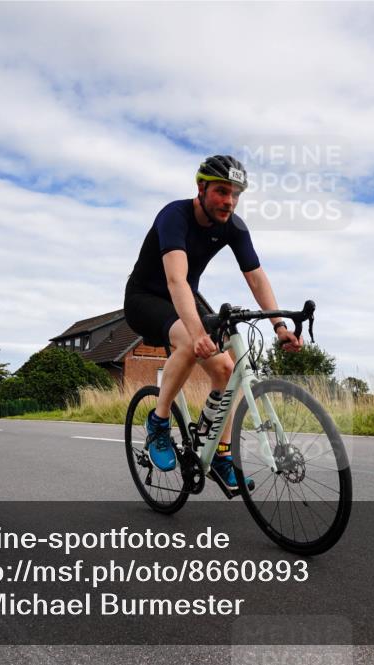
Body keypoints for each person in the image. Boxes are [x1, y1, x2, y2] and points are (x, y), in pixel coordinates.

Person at [124, 155, 302, 492]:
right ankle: (159, 422)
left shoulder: (232, 226)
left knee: (226, 369)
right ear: (201, 187)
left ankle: (219, 455)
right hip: (145, 299)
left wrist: (279, 326)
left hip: (187, 298)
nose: (229, 201)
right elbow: (176, 280)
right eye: (222, 192)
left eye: (235, 194)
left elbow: (256, 278)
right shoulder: (174, 216)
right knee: (191, 342)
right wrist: (196, 333)